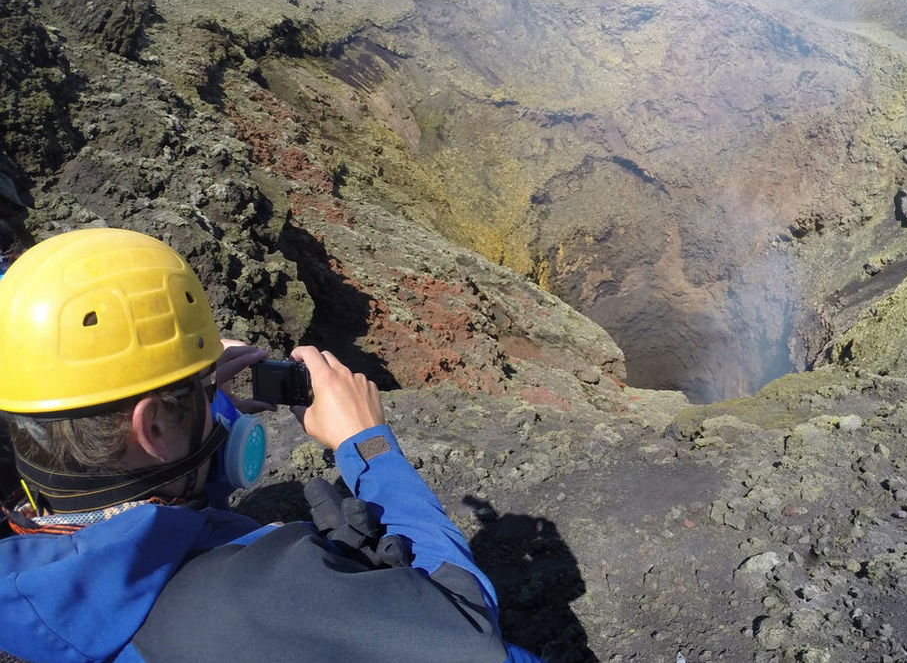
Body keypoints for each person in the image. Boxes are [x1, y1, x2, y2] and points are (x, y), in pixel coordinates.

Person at [0, 228, 542, 663]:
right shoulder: (259, 597)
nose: (211, 399)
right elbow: (465, 623)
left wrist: (207, 416)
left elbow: (138, 537)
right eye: (196, 391)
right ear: (152, 430)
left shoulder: (32, 572)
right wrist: (368, 446)